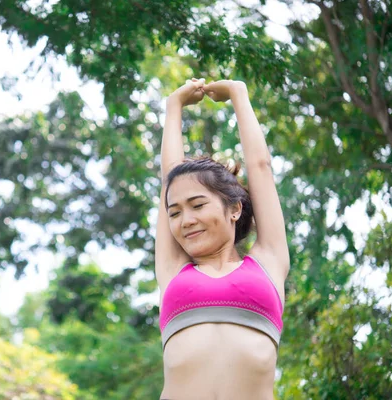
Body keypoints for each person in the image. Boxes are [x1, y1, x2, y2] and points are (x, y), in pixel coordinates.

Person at [156, 78, 290, 399]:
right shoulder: (174, 271)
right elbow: (168, 179)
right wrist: (173, 106)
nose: (186, 220)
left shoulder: (268, 263)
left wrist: (237, 93)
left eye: (198, 205)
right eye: (174, 212)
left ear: (234, 209)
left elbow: (260, 168)